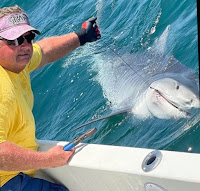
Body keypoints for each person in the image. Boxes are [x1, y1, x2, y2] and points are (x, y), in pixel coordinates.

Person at [0, 5, 101, 191]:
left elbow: (45, 51)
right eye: (14, 40)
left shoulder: (16, 63)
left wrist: (82, 37)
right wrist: (49, 160)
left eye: (28, 38)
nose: (24, 46)